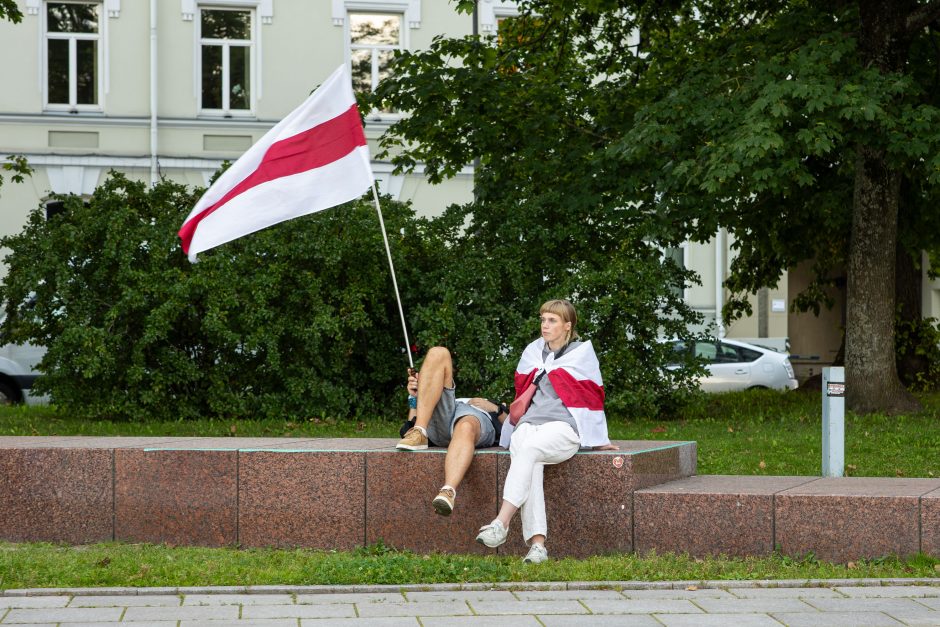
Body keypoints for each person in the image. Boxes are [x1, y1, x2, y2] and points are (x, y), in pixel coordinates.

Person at [474, 299, 618, 564]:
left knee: (527, 452)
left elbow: (592, 398)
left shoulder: (581, 354)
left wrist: (598, 439)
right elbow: (523, 391)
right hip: (529, 424)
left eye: (552, 320)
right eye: (542, 319)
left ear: (567, 325)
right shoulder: (533, 353)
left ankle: (501, 522)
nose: (545, 325)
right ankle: (538, 546)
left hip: (563, 428)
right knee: (531, 462)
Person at [396, 346, 508, 516]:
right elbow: (407, 427)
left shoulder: (491, 406)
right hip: (443, 419)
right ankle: (420, 432)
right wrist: (414, 398)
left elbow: (513, 427)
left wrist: (495, 408)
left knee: (466, 426)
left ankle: (448, 491)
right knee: (438, 352)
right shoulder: (439, 398)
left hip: (474, 417)